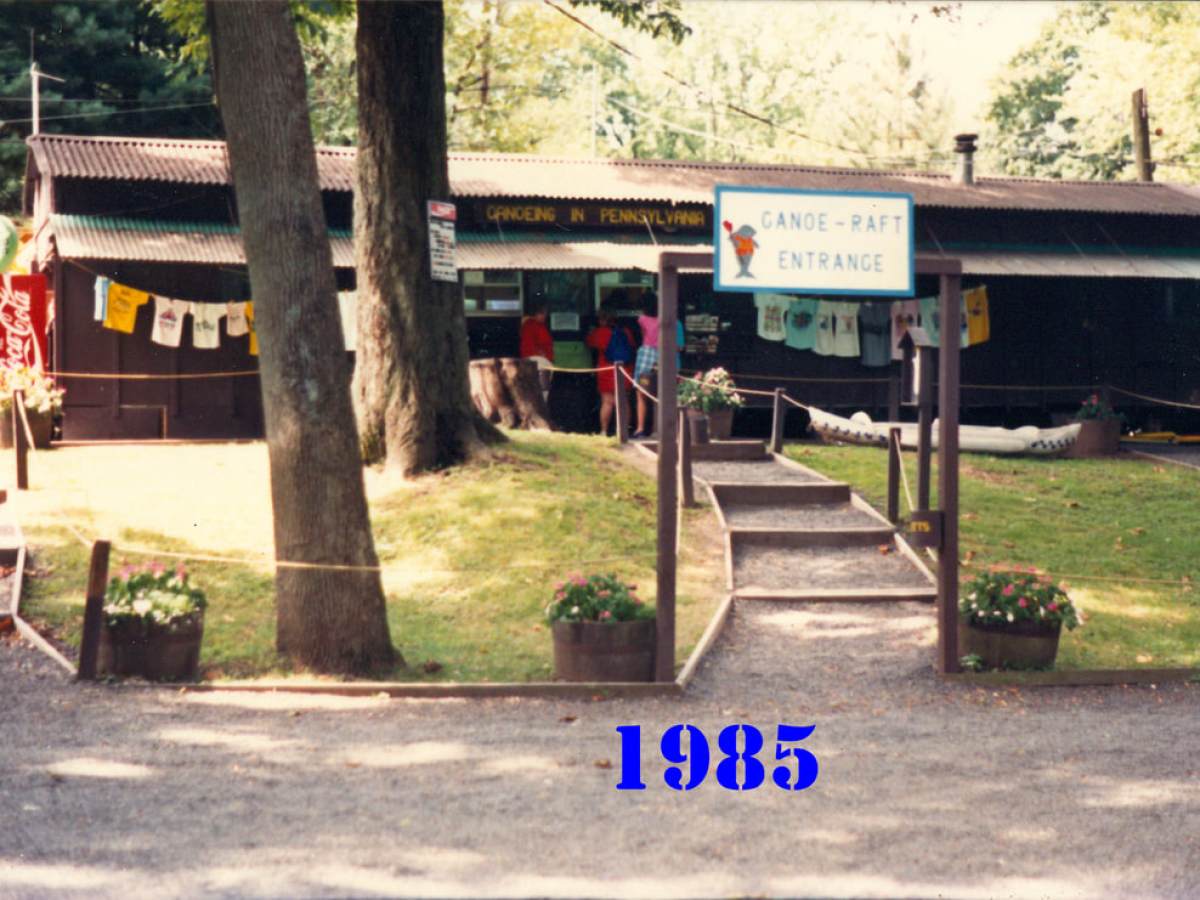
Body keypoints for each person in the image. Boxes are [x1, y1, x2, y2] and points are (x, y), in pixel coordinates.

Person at [585, 305, 634, 436]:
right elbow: (632, 347)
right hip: (625, 369)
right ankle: (624, 432)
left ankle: (604, 431)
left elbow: (589, 342)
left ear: (601, 319)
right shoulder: (626, 331)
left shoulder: (600, 332)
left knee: (607, 402)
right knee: (623, 401)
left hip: (607, 369)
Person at [632, 291, 660, 438]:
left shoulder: (641, 319)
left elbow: (643, 337)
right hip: (661, 356)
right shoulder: (663, 319)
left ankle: (640, 428)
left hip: (645, 356)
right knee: (658, 393)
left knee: (641, 392)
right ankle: (657, 429)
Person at [519, 301, 555, 399]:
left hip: (526, 361)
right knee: (542, 395)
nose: (545, 316)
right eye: (543, 313)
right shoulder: (538, 326)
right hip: (540, 363)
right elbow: (546, 343)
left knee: (529, 395)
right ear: (537, 313)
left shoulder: (525, 326)